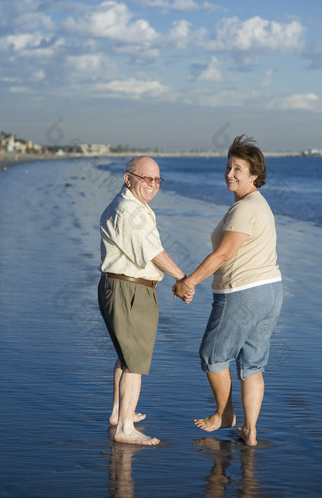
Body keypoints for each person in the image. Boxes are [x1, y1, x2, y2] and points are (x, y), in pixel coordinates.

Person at [173, 135, 283, 446]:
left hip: (243, 293)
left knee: (212, 355)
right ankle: (250, 430)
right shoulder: (260, 206)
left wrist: (189, 281)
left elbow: (224, 254)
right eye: (227, 167)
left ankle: (225, 413)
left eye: (237, 169)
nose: (229, 174)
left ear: (254, 175)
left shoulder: (245, 208)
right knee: (252, 364)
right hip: (271, 292)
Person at [98, 156, 193, 446]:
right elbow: (154, 252)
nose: (152, 184)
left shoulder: (129, 205)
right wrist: (184, 279)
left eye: (157, 179)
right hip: (130, 290)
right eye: (145, 178)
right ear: (129, 179)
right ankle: (126, 428)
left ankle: (119, 413)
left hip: (121, 287)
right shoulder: (130, 211)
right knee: (135, 362)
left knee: (127, 356)